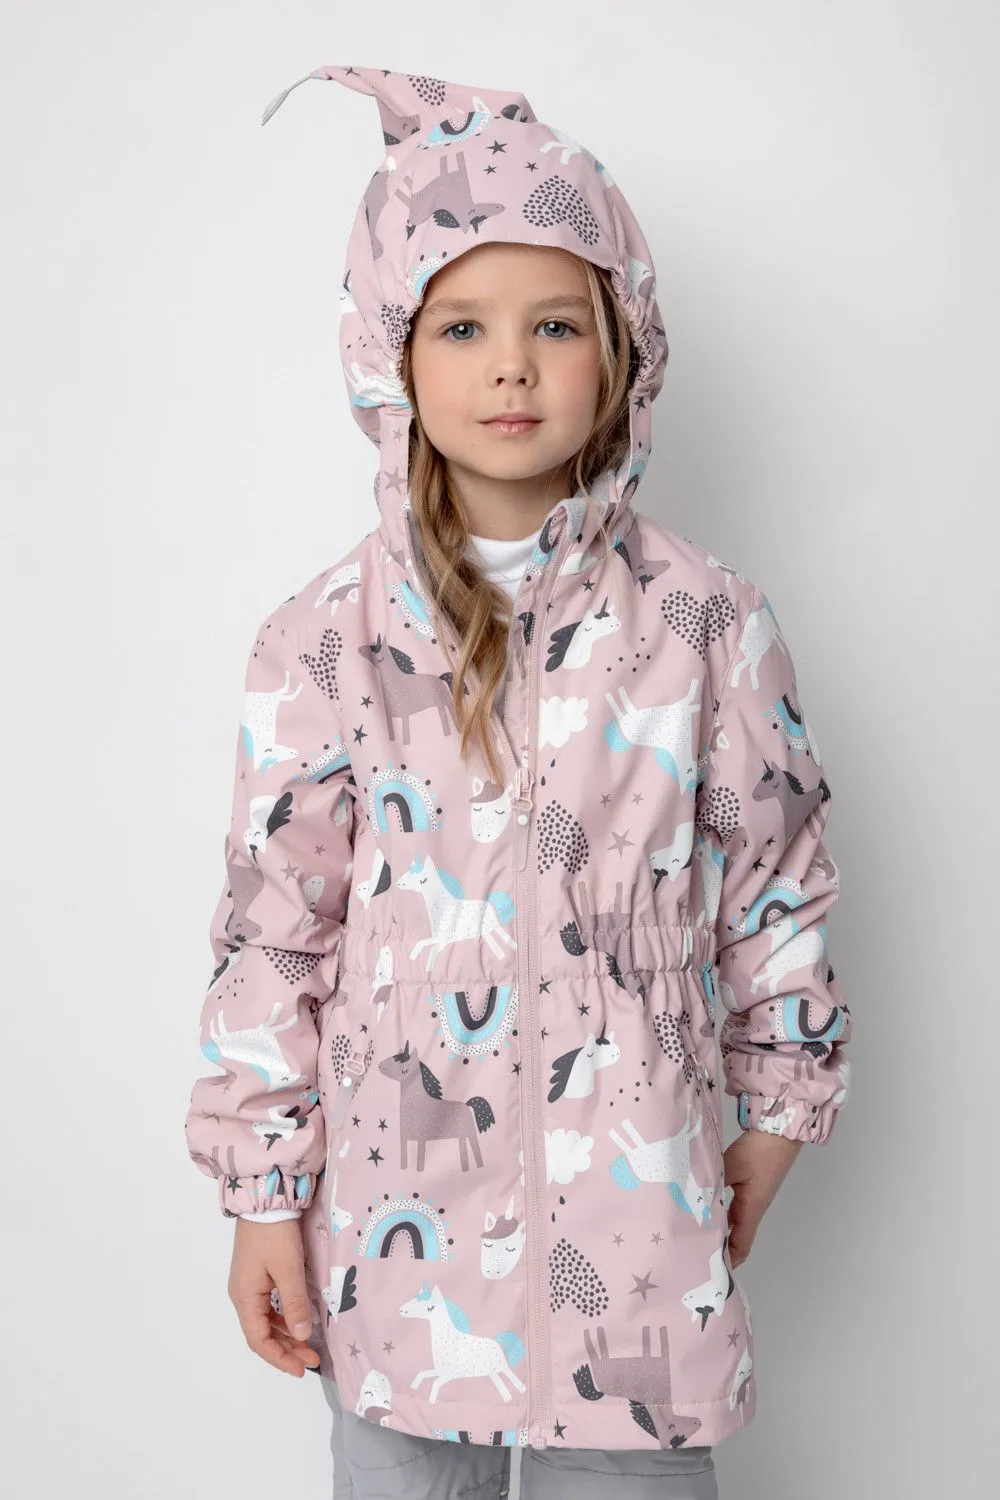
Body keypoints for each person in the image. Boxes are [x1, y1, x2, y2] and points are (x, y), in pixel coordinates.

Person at [184, 65, 852, 1500]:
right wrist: (261, 1200)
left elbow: (777, 884)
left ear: (621, 350)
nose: (511, 368)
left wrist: (778, 1118)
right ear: (390, 355)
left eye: (555, 325)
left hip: (641, 1250)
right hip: (395, 1254)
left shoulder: (706, 626)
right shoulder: (324, 643)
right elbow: (273, 936)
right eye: (463, 326)